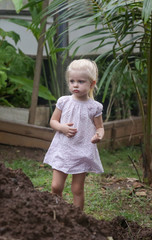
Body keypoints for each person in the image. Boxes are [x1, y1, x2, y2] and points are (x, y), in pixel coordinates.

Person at [43, 59, 104, 211]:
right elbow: (53, 121)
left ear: (92, 83)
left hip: (81, 151)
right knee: (56, 186)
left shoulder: (94, 107)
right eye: (72, 81)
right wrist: (62, 128)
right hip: (63, 149)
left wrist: (99, 135)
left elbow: (100, 127)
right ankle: (57, 212)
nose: (75, 85)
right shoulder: (63, 102)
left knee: (77, 189)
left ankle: (78, 217)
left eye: (81, 81)